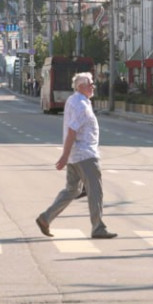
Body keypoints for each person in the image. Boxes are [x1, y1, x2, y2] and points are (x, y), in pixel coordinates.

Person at [34, 72, 116, 240]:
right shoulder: (82, 106)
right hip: (85, 155)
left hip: (75, 155)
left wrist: (67, 155)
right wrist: (64, 156)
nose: (93, 86)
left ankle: (45, 218)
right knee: (95, 191)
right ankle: (98, 228)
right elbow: (72, 130)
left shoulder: (74, 100)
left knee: (73, 190)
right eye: (90, 83)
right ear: (81, 87)